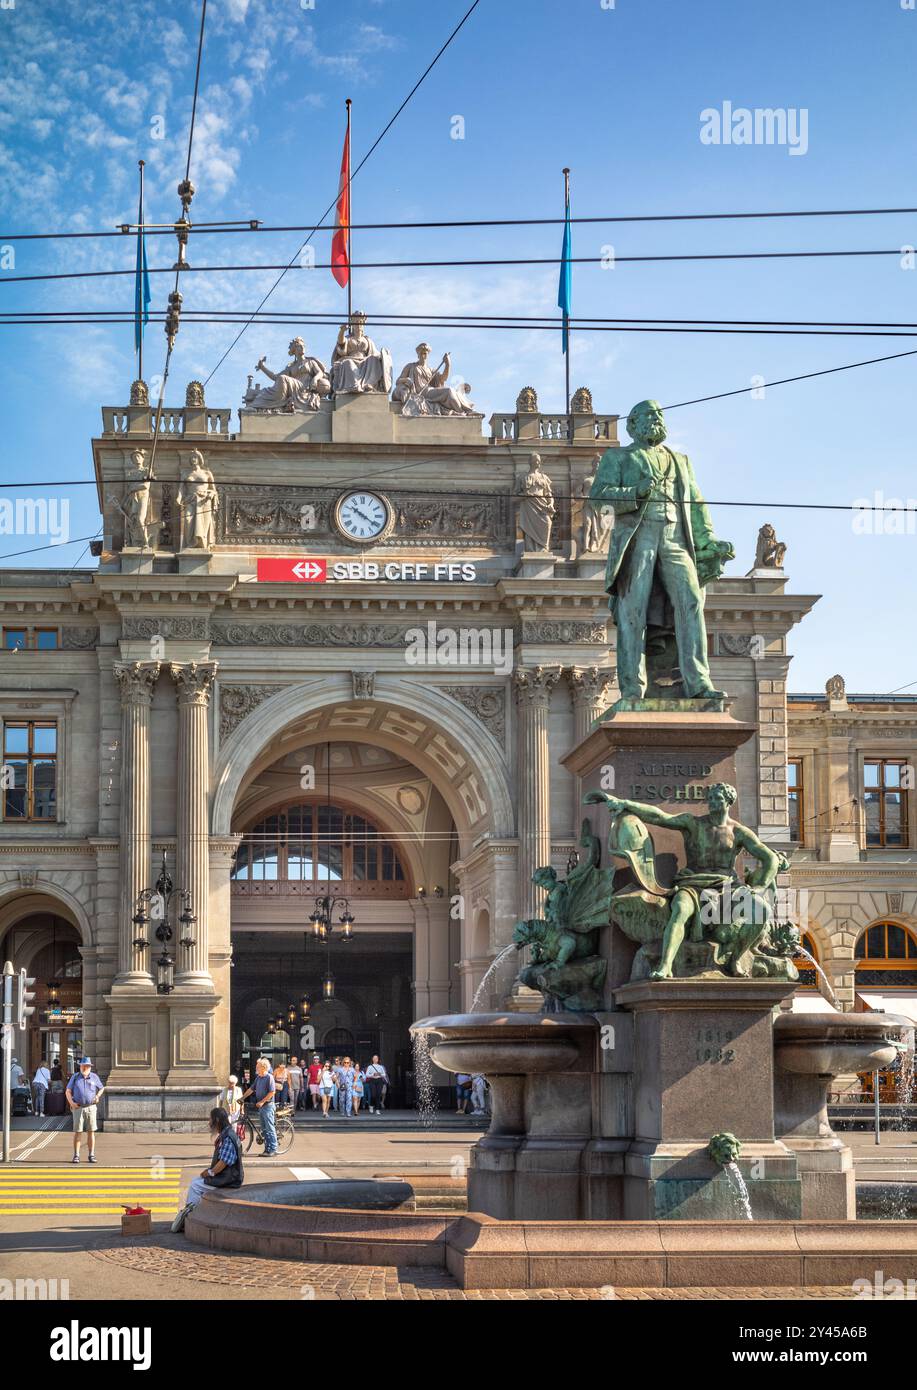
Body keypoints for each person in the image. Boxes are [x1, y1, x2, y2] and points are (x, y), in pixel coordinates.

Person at [170, 1107, 244, 1233]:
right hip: (226, 1177)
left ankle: (191, 1216)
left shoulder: (228, 1137)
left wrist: (210, 1173)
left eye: (210, 1119)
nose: (209, 1123)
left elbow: (224, 1162)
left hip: (229, 1180)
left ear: (216, 1120)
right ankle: (195, 1212)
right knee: (198, 1181)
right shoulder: (227, 1133)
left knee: (195, 1185)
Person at [65, 1057, 106, 1164]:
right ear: (80, 1066)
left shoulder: (94, 1077)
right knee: (78, 1132)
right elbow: (68, 1091)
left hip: (91, 1107)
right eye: (83, 1066)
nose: (84, 1067)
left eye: (87, 1066)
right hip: (78, 1108)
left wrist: (97, 1096)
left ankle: (91, 1155)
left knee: (91, 1132)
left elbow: (102, 1088)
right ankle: (76, 1155)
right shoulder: (75, 1077)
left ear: (90, 1067)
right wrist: (72, 1103)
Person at [241, 1058, 278, 1156]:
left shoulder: (269, 1077)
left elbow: (272, 1092)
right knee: (264, 1129)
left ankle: (273, 1149)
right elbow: (251, 1089)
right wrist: (242, 1098)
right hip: (261, 1107)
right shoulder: (258, 1078)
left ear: (264, 1067)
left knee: (269, 1128)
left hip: (268, 1106)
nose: (256, 1067)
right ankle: (267, 1149)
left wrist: (262, 1101)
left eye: (258, 1066)